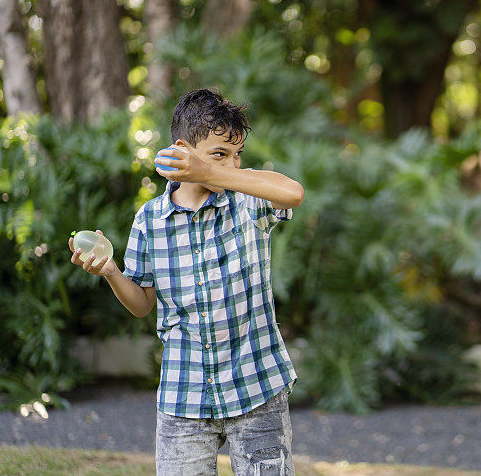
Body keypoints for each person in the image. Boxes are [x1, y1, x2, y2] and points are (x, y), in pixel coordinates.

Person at [68, 88, 304, 475]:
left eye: (237, 155)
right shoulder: (150, 220)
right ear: (183, 149)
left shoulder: (246, 200)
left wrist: (216, 172)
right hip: (185, 394)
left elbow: (292, 193)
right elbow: (143, 304)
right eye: (219, 154)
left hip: (257, 386)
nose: (231, 165)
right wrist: (111, 271)